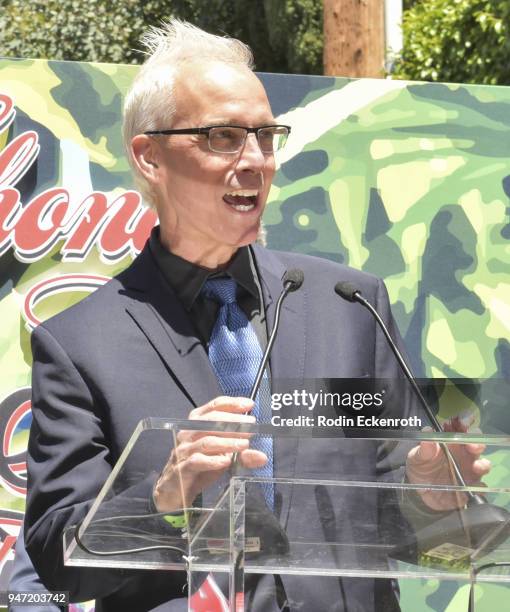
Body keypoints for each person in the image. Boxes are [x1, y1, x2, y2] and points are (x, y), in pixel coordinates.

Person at [23, 19, 490, 612]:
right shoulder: (80, 343)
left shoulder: (349, 304)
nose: (255, 160)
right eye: (222, 136)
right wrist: (165, 496)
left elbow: (392, 515)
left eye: (266, 136)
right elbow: (54, 559)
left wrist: (429, 494)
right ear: (150, 157)